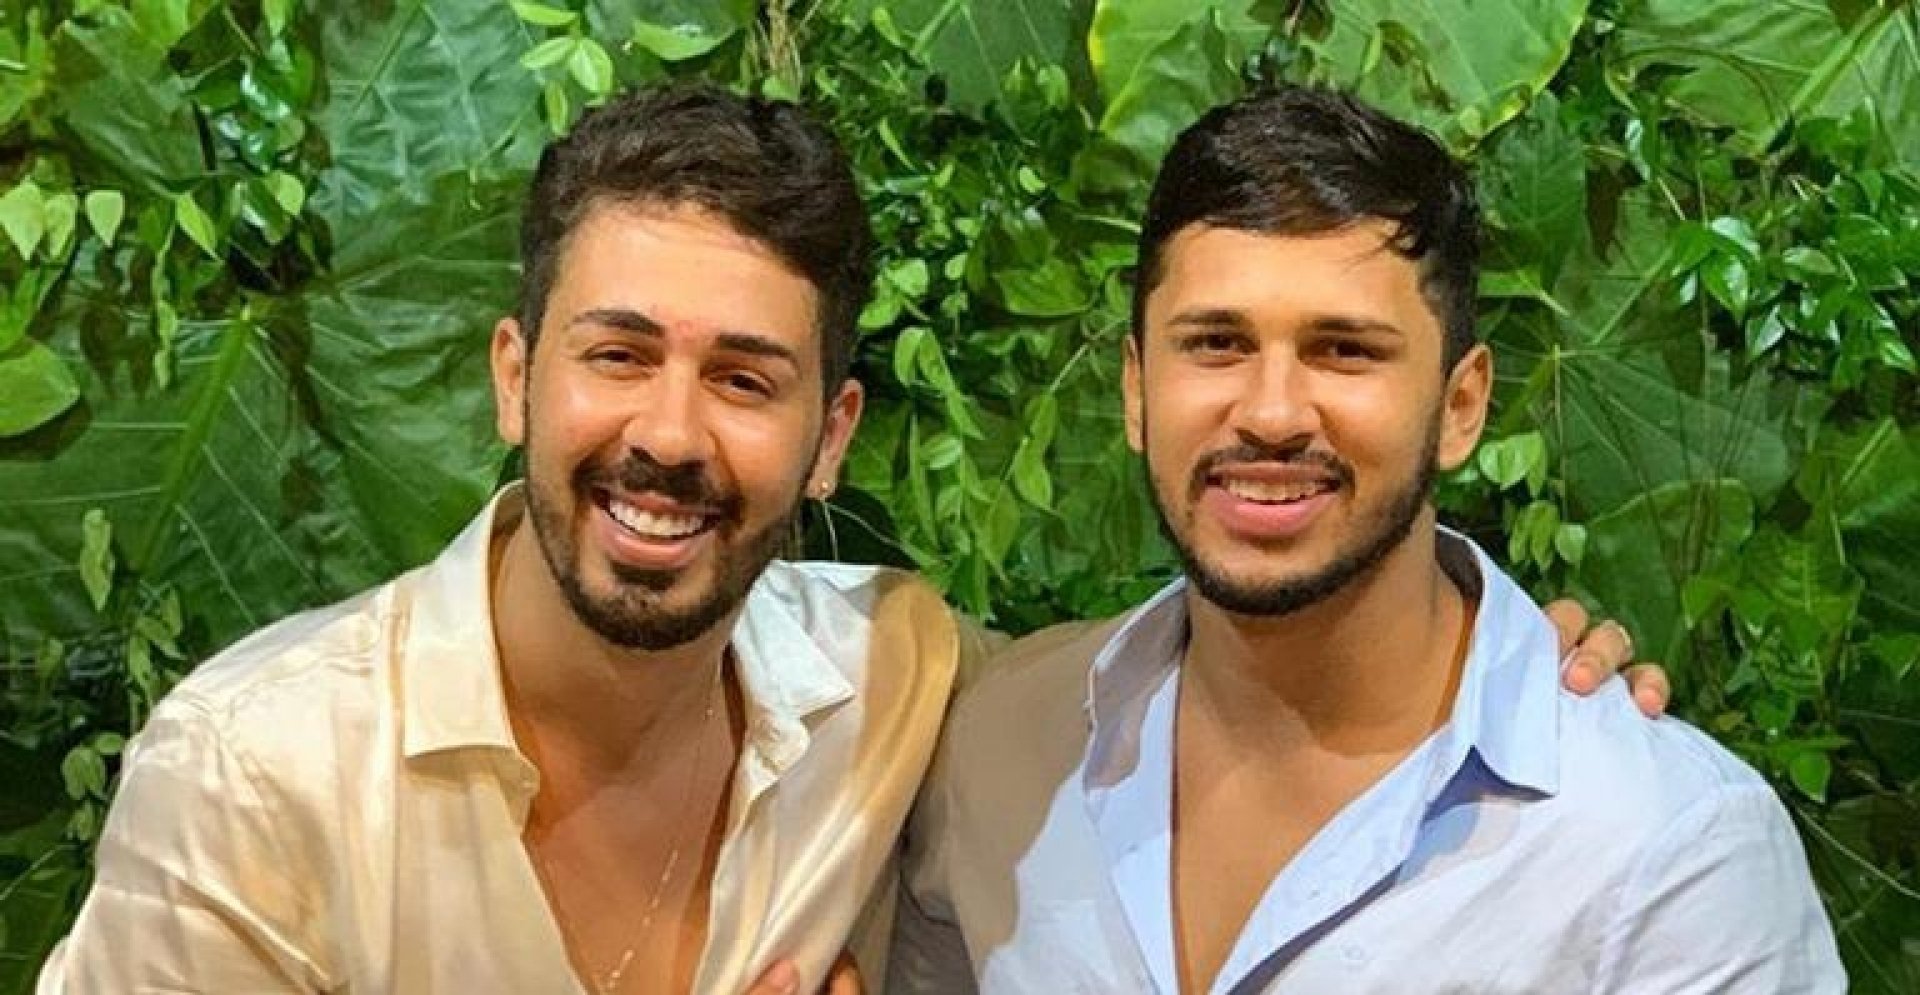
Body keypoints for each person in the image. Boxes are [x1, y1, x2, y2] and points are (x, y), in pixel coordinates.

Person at [38, 83, 1656, 995]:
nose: (670, 432)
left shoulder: (899, 680)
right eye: (617, 353)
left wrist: (1507, 664)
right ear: (516, 377)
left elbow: (1209, 678)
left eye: (746, 377)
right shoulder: (263, 777)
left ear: (831, 436)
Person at [887, 86, 1844, 993]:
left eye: (1344, 350)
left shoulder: (1668, 850)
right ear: (1138, 389)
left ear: (1461, 405)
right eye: (1216, 343)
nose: (1270, 413)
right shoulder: (1004, 743)